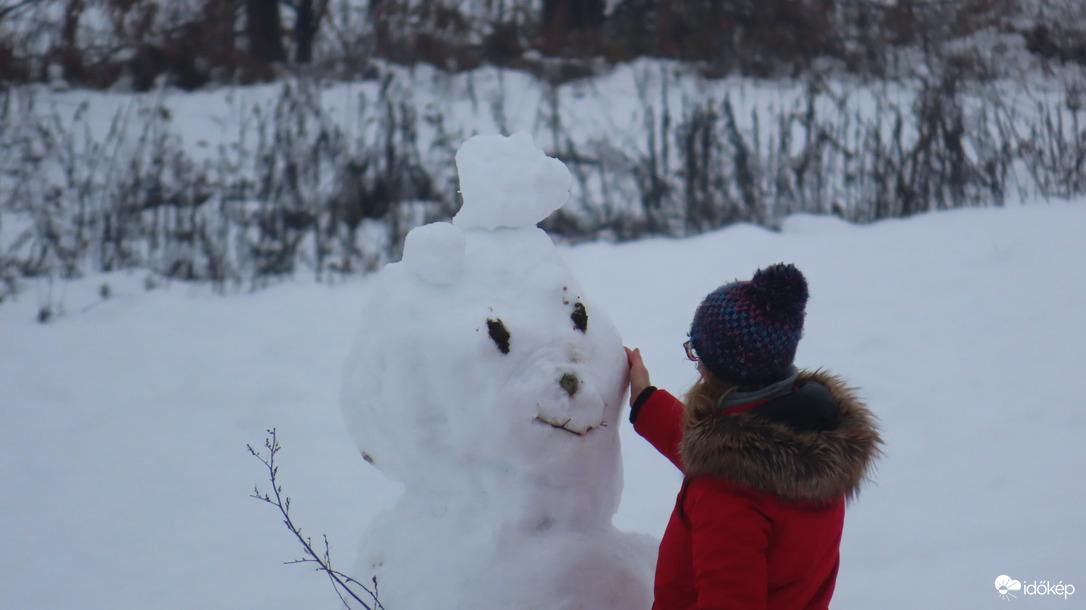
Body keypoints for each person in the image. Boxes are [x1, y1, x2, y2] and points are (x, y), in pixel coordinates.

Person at [625, 263, 882, 610]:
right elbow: (728, 449)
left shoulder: (728, 492)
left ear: (723, 367)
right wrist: (647, 402)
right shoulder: (813, 432)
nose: (696, 363)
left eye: (698, 352)